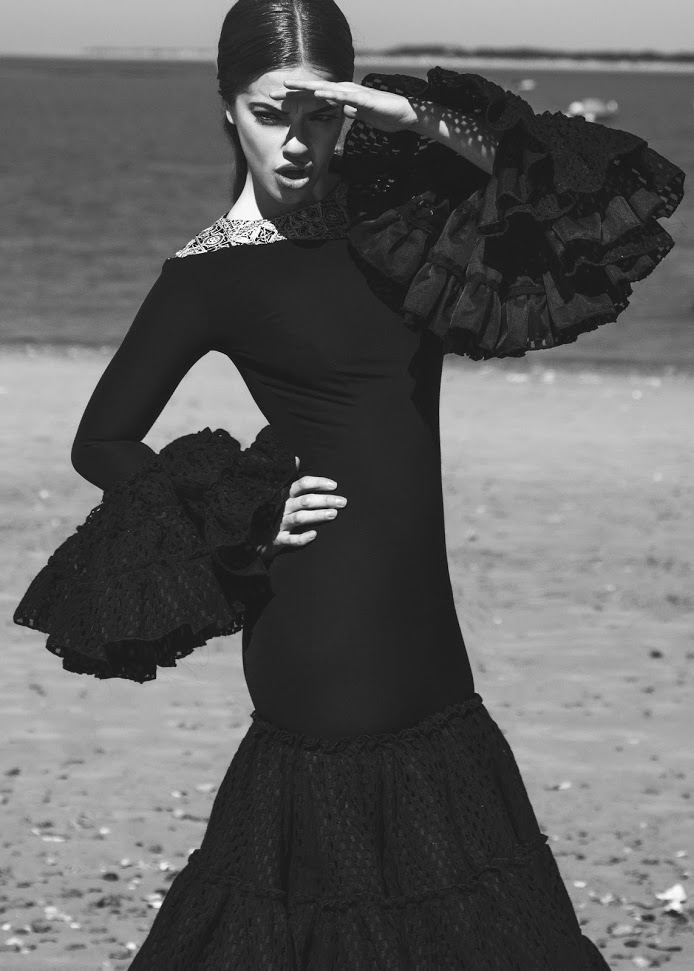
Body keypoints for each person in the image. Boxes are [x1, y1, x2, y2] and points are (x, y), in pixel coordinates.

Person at [13, 0, 685, 967]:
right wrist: (243, 513)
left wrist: (413, 116)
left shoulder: (403, 222)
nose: (296, 141)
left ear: (348, 110)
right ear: (226, 109)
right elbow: (103, 441)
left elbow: (586, 192)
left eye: (319, 114)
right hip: (319, 624)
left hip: (428, 634)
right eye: (268, 113)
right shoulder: (206, 276)